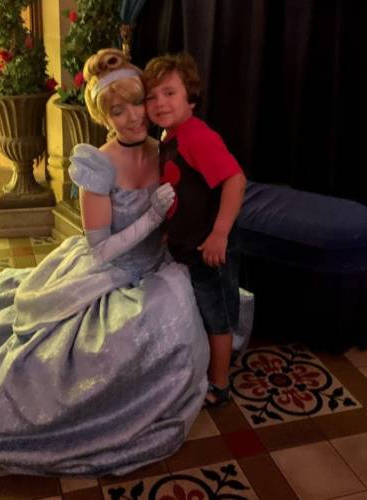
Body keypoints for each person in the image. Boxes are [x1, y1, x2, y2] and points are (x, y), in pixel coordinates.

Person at [0, 48, 210, 477]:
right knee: (84, 355)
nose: (134, 117)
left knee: (176, 318)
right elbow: (101, 250)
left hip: (157, 269)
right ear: (105, 117)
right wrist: (152, 216)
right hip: (109, 274)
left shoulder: (165, 147)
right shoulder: (97, 164)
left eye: (138, 103)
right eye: (119, 110)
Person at [142, 53, 246, 408]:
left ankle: (219, 383)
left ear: (191, 97)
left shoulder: (196, 136)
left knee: (216, 314)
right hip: (190, 242)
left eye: (169, 93)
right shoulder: (170, 134)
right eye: (152, 96)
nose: (160, 103)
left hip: (209, 247)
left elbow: (234, 179)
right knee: (202, 308)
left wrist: (219, 233)